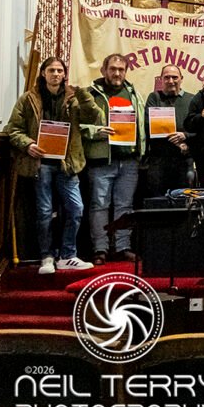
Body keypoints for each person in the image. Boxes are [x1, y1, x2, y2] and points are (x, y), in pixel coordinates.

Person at [4, 57, 101, 274]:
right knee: (45, 212)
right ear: (43, 73)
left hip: (68, 163)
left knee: (76, 209)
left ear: (65, 74)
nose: (55, 74)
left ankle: (68, 255)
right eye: (51, 70)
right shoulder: (28, 99)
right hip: (41, 164)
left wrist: (83, 93)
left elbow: (94, 117)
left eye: (59, 70)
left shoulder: (74, 98)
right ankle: (46, 257)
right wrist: (28, 144)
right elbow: (13, 129)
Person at [82, 53, 146, 265]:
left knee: (125, 206)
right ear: (104, 70)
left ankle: (122, 247)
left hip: (129, 161)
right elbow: (76, 125)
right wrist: (96, 131)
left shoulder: (134, 93)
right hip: (101, 161)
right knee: (99, 205)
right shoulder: (90, 94)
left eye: (121, 69)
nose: (117, 73)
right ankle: (100, 249)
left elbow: (142, 124)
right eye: (113, 69)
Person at [143, 64, 194, 197]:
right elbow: (150, 125)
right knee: (157, 201)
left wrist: (186, 136)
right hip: (159, 161)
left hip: (184, 161)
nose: (171, 81)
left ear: (181, 78)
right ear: (161, 79)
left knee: (183, 201)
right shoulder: (154, 97)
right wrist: (178, 143)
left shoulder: (192, 100)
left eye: (174, 77)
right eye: (167, 77)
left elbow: (199, 129)